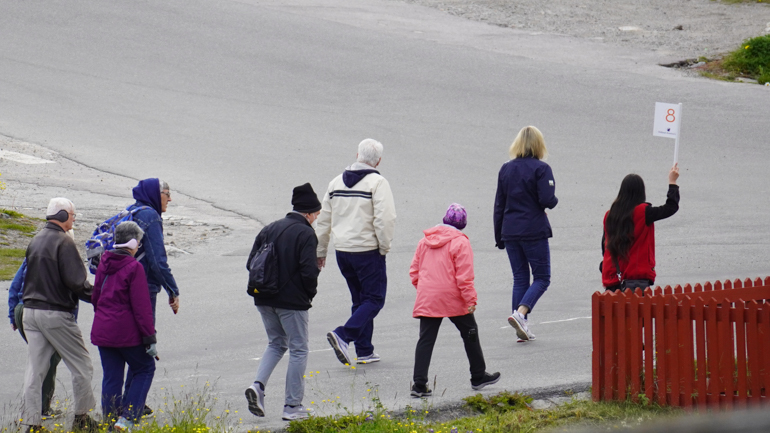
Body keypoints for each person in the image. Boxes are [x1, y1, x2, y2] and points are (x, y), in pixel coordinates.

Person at [19, 198, 98, 433]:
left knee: (35, 370)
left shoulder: (36, 240)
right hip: (54, 313)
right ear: (63, 216)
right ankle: (82, 418)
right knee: (82, 365)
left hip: (30, 313)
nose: (73, 219)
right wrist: (100, 297)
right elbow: (77, 282)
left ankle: (31, 423)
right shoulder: (64, 242)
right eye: (72, 215)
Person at [316, 138, 397, 366]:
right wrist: (384, 246)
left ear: (357, 155)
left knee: (359, 300)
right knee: (374, 299)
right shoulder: (377, 183)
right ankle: (344, 334)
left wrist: (321, 251)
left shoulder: (335, 183)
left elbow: (324, 220)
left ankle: (364, 350)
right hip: (367, 250)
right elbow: (385, 218)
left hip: (343, 251)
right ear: (378, 160)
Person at [245, 183, 321, 421]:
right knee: (299, 349)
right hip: (292, 302)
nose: (316, 219)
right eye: (316, 215)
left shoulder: (269, 228)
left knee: (276, 343)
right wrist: (309, 294)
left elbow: (251, 263)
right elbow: (309, 272)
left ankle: (258, 386)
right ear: (308, 214)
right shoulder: (306, 233)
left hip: (262, 297)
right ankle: (292, 406)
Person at [409, 204, 501, 398]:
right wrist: (471, 299)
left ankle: (419, 384)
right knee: (470, 333)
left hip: (429, 296)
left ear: (444, 220)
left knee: (425, 339)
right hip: (453, 297)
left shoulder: (424, 241)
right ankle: (478, 375)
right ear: (463, 225)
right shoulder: (461, 242)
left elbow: (414, 272)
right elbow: (464, 276)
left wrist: (425, 289)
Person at [493, 126, 558, 343]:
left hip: (510, 230)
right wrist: (554, 199)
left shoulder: (506, 169)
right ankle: (520, 314)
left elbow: (499, 204)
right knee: (542, 277)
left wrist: (498, 236)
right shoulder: (541, 168)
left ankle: (521, 324)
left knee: (520, 277)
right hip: (533, 230)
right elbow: (547, 200)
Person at [91, 221, 157, 431]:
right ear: (132, 242)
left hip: (103, 330)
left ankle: (110, 423)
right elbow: (142, 307)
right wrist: (150, 338)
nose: (139, 245)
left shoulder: (104, 263)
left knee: (112, 377)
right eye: (138, 241)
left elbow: (96, 297)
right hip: (126, 333)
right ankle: (127, 418)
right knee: (145, 367)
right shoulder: (134, 267)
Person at [125, 178, 179, 415]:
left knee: (127, 342)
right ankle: (132, 403)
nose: (169, 198)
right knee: (143, 342)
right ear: (157, 194)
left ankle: (127, 400)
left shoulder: (130, 211)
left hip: (123, 285)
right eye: (167, 193)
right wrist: (172, 290)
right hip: (144, 287)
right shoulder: (151, 217)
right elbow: (158, 260)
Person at [601, 165, 680, 291]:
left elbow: (605, 245)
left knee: (613, 311)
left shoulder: (609, 216)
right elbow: (671, 207)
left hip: (613, 280)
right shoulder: (644, 213)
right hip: (636, 282)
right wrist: (672, 182)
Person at [9, 259, 62, 420]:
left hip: (21, 308)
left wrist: (13, 314)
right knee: (48, 359)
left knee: (38, 358)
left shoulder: (32, 254)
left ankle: (33, 409)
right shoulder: (61, 258)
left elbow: (15, 285)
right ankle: (41, 408)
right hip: (43, 311)